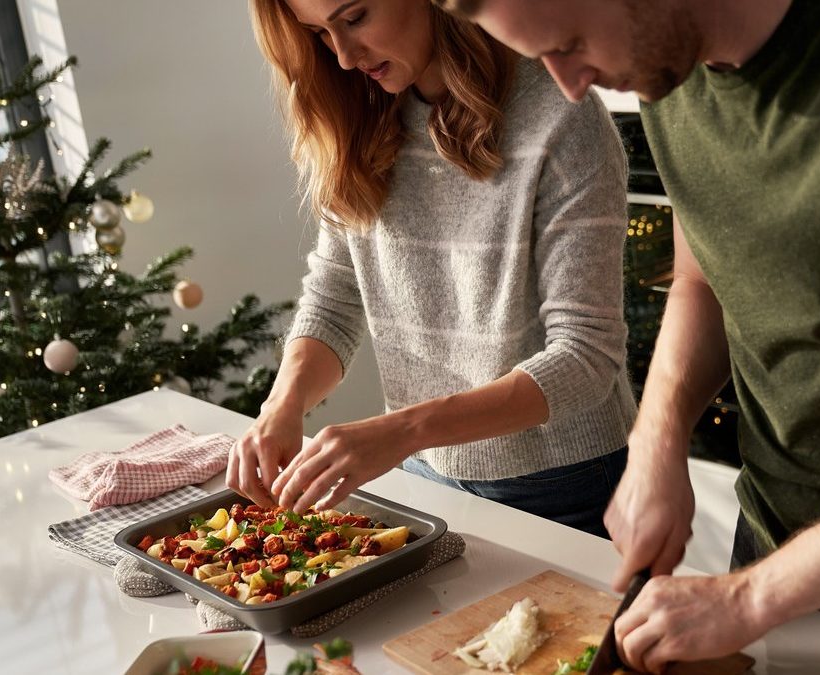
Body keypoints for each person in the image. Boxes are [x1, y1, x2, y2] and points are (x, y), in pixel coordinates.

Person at [433, 0, 820, 669]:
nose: (571, 86)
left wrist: (747, 602)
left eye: (570, 43)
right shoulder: (671, 63)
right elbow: (703, 277)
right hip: (772, 541)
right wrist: (656, 437)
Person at [226, 0, 638, 538]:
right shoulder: (359, 116)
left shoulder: (561, 118)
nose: (346, 58)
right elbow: (337, 295)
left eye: (354, 18)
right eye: (320, 34)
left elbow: (586, 357)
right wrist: (283, 405)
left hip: (563, 481)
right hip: (424, 467)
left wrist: (404, 431)